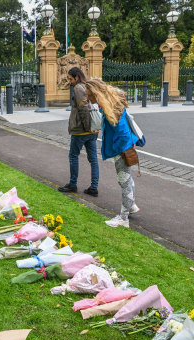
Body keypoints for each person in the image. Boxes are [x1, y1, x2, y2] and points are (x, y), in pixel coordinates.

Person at [84, 79, 140, 228]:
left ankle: (123, 218)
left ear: (97, 93)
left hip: (122, 149)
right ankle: (131, 206)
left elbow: (122, 132)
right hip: (121, 147)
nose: (88, 98)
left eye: (89, 95)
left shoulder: (112, 107)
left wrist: (120, 151)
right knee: (126, 180)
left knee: (124, 182)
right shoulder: (109, 103)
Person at [58, 67, 100, 197]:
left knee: (73, 156)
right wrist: (92, 127)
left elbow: (83, 109)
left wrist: (88, 127)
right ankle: (94, 187)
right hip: (92, 129)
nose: (69, 82)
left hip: (81, 131)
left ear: (76, 77)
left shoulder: (78, 88)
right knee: (93, 159)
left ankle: (73, 184)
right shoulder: (88, 86)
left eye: (70, 79)